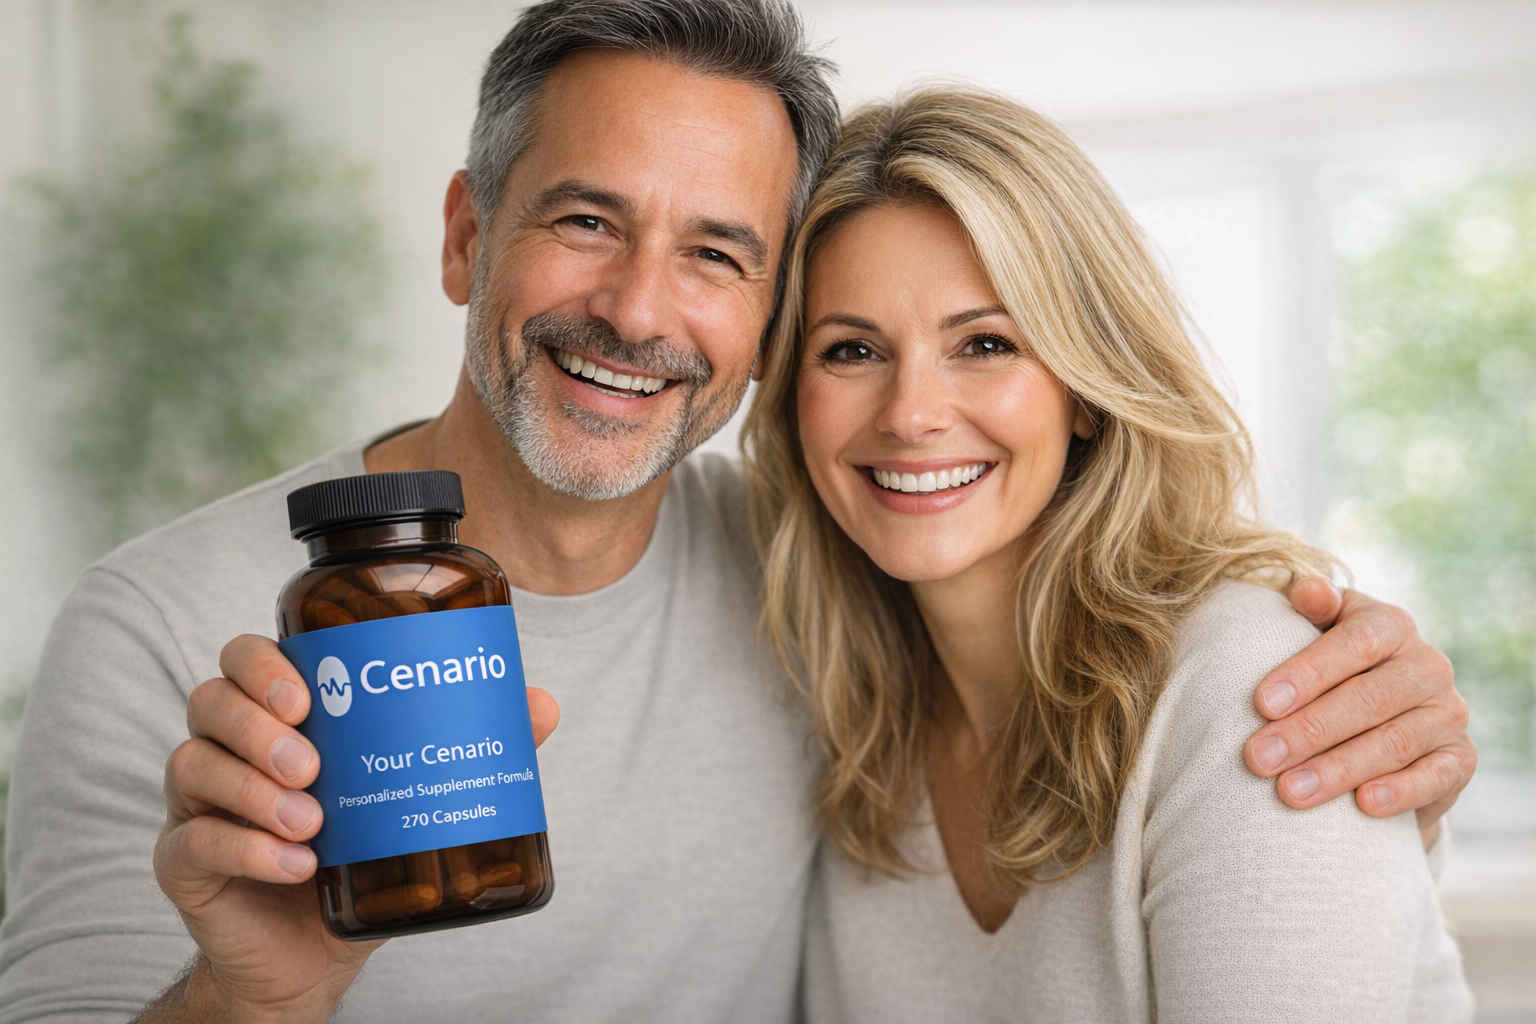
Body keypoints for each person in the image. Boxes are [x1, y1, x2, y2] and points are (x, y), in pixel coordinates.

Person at [0, 3, 1471, 1022]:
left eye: (716, 252)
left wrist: (1362, 701)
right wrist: (249, 1003)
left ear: (760, 321)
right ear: (466, 234)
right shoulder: (164, 627)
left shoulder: (822, 583)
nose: (640, 310)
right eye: (587, 219)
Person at [743, 87, 1473, 1022]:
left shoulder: (1256, 690)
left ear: (1085, 390)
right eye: (851, 351)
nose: (911, 414)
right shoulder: (845, 717)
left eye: (986, 343)